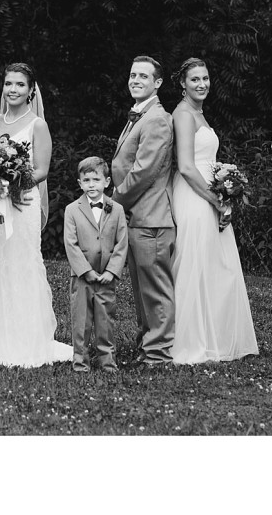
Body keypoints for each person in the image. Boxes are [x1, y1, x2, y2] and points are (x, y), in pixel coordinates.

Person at [0, 63, 73, 367]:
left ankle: (26, 340)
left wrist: (12, 181)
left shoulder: (37, 125)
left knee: (21, 263)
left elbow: (42, 169)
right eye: (8, 84)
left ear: (31, 90)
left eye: (19, 84)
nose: (12, 89)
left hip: (22, 203)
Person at [168, 57, 258, 364]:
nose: (202, 84)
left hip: (210, 193)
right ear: (182, 83)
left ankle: (215, 338)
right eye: (194, 79)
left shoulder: (199, 113)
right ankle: (190, 342)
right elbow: (186, 166)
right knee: (194, 264)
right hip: (195, 196)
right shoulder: (183, 114)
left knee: (216, 266)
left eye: (205, 78)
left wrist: (225, 183)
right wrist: (215, 199)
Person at [110, 55, 176, 368]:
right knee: (141, 286)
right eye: (133, 75)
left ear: (158, 83)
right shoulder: (140, 114)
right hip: (137, 216)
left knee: (155, 287)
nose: (135, 80)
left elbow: (143, 171)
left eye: (143, 77)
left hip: (152, 217)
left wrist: (114, 201)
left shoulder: (158, 119)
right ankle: (148, 342)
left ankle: (159, 351)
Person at [62, 156, 129, 373]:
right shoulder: (72, 210)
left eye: (96, 180)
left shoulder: (116, 209)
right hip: (82, 277)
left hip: (106, 276)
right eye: (87, 180)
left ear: (107, 182)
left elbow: (121, 243)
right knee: (81, 321)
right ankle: (80, 362)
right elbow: (70, 244)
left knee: (106, 319)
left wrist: (112, 271)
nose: (92, 185)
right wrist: (86, 271)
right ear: (80, 183)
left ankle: (108, 361)